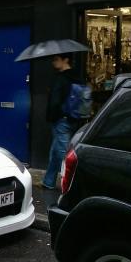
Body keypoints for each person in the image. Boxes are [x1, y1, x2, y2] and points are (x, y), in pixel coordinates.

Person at [42, 53, 81, 190]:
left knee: (62, 153)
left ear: (66, 60)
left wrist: (52, 115)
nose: (54, 62)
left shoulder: (61, 78)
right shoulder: (77, 76)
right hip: (74, 118)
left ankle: (71, 184)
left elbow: (55, 102)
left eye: (56, 59)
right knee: (56, 150)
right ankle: (48, 181)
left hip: (61, 120)